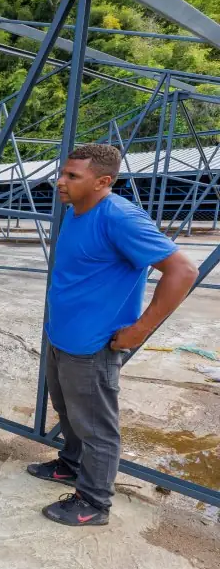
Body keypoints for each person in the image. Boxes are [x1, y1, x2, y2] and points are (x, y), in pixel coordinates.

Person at [28, 143, 197, 527]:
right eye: (63, 173)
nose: (60, 182)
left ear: (103, 181)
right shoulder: (75, 211)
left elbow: (182, 271)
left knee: (96, 428)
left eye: (72, 176)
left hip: (94, 346)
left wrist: (138, 331)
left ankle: (94, 502)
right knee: (68, 411)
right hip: (62, 337)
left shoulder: (119, 217)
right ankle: (70, 464)